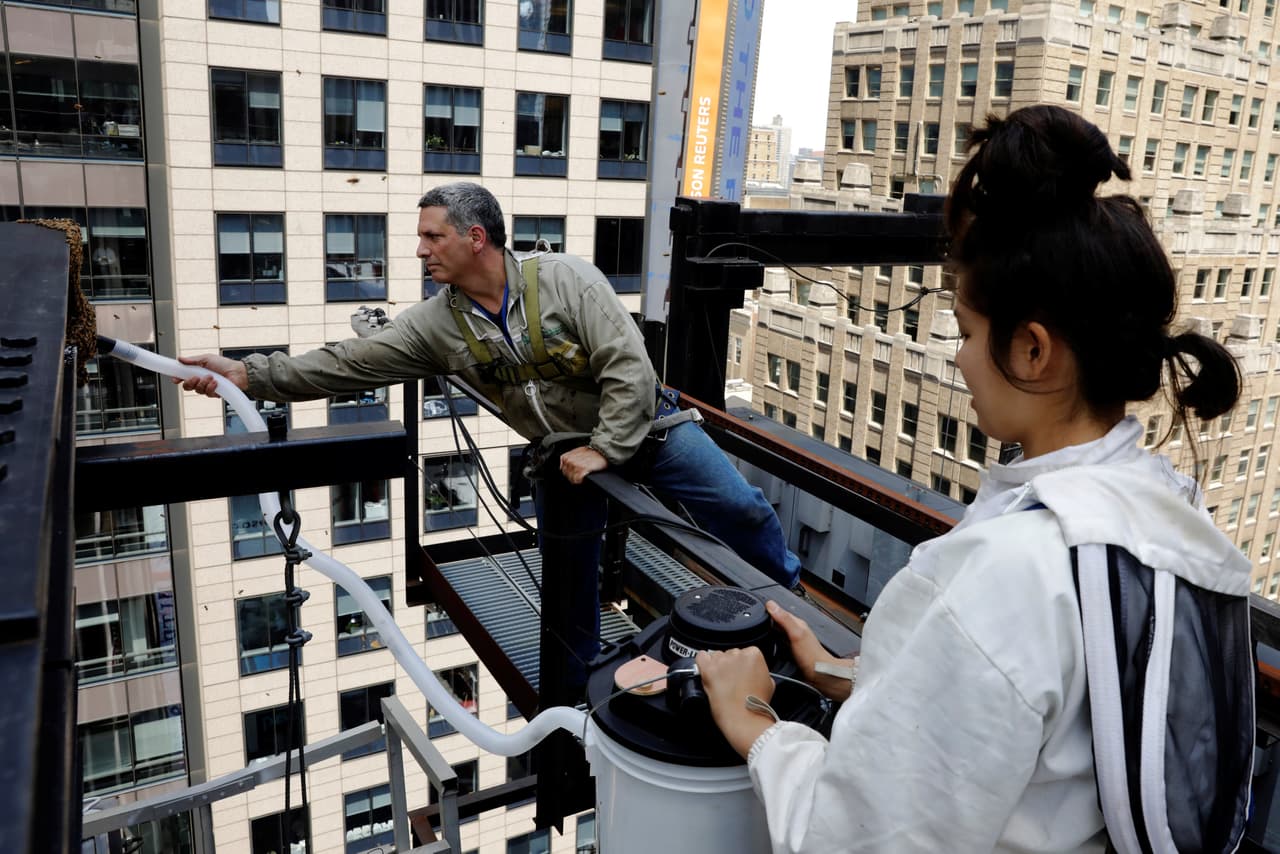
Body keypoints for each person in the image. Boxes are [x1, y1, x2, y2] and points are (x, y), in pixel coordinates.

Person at [697, 105, 1253, 852]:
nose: (957, 358)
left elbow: (853, 840)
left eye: (965, 330)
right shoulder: (1164, 517)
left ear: (1032, 351)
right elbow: (1057, 746)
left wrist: (755, 721)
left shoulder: (1009, 574)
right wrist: (863, 680)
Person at [176, 181, 801, 679]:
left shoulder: (566, 281)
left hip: (651, 430)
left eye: (432, 236)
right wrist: (248, 375)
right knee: (570, 575)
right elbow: (346, 364)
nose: (421, 250)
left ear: (475, 238)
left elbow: (629, 367)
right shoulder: (436, 325)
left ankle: (794, 613)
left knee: (740, 512)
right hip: (568, 457)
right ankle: (583, 681)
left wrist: (607, 448)